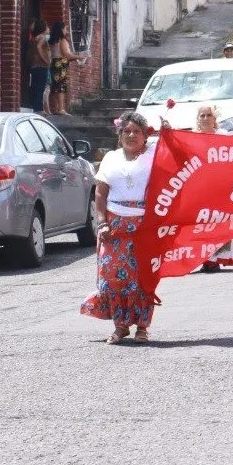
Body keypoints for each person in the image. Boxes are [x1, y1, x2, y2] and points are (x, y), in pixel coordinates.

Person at [80, 112, 161, 344]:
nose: (132, 135)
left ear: (146, 136)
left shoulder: (154, 156)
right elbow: (100, 193)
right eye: (127, 131)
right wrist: (102, 222)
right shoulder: (111, 159)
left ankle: (142, 327)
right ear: (120, 135)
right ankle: (120, 325)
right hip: (114, 227)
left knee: (143, 277)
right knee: (113, 276)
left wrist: (166, 128)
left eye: (137, 131)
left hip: (144, 227)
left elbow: (176, 149)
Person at [193, 105, 233, 272]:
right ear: (198, 119)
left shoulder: (224, 136)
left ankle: (215, 259)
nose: (205, 118)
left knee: (219, 222)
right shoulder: (191, 138)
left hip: (221, 186)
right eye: (202, 115)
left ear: (215, 118)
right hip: (199, 187)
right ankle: (204, 259)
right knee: (202, 224)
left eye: (208, 115)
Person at [48, 21, 82, 115]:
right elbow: (66, 54)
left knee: (55, 87)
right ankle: (61, 109)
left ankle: (56, 108)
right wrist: (79, 56)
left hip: (53, 64)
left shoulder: (51, 40)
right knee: (61, 87)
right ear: (61, 30)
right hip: (60, 65)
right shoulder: (62, 40)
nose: (66, 31)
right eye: (65, 29)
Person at [27, 19, 50, 114]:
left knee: (36, 87)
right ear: (43, 28)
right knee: (40, 87)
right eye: (47, 26)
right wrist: (44, 59)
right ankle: (39, 109)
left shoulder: (34, 38)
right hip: (41, 65)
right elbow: (38, 47)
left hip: (34, 66)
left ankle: (36, 107)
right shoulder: (42, 37)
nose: (48, 28)